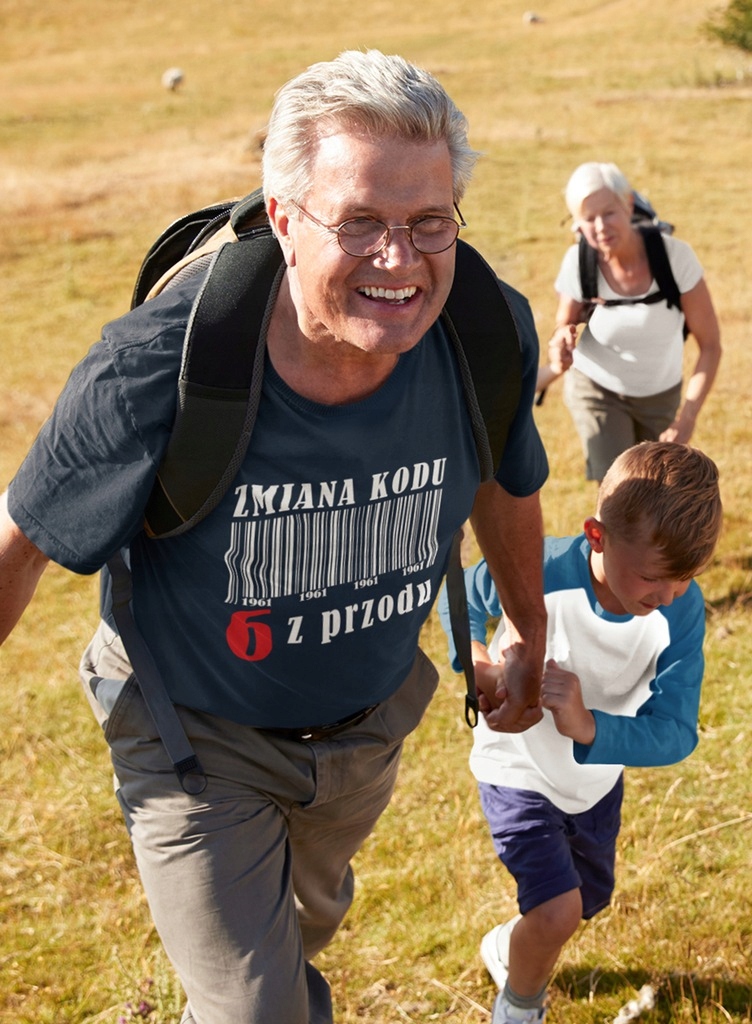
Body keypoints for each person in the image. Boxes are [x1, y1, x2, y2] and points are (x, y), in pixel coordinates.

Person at [0, 49, 549, 1024]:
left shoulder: (484, 336)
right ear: (285, 219)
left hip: (368, 725)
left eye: (430, 222)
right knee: (263, 1010)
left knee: (292, 943)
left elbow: (503, 486)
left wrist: (524, 636)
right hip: (192, 733)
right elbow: (19, 542)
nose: (400, 261)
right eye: (361, 223)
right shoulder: (162, 365)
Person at [439, 441, 722, 1024]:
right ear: (597, 536)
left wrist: (590, 726)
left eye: (685, 579)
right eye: (653, 578)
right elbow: (461, 594)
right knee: (558, 910)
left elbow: (675, 732)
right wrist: (476, 664)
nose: (667, 596)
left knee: (584, 902)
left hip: (592, 786)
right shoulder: (535, 567)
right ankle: (519, 1008)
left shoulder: (680, 612)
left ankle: (507, 947)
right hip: (515, 768)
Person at [547, 161, 721, 482]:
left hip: (660, 394)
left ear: (627, 205)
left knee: (659, 493)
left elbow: (710, 346)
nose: (600, 227)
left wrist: (688, 417)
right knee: (618, 489)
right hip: (597, 389)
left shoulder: (675, 258)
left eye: (609, 212)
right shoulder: (578, 262)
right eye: (588, 218)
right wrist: (561, 341)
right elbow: (564, 323)